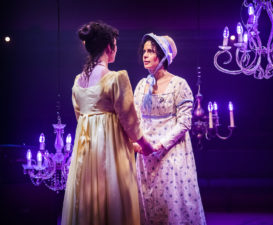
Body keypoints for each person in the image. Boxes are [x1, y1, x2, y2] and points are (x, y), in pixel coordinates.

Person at [61, 21, 152, 225]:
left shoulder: (78, 82)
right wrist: (145, 145)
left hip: (85, 153)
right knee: (112, 200)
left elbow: (81, 118)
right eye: (115, 45)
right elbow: (130, 122)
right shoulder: (115, 78)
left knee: (87, 201)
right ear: (109, 47)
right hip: (110, 153)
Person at [133, 33, 207, 225]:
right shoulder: (142, 85)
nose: (145, 55)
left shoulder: (179, 84)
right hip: (145, 153)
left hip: (171, 151)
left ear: (163, 56)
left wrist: (159, 145)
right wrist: (138, 143)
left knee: (171, 203)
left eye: (151, 51)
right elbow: (136, 118)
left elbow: (184, 123)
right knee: (148, 204)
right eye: (145, 51)